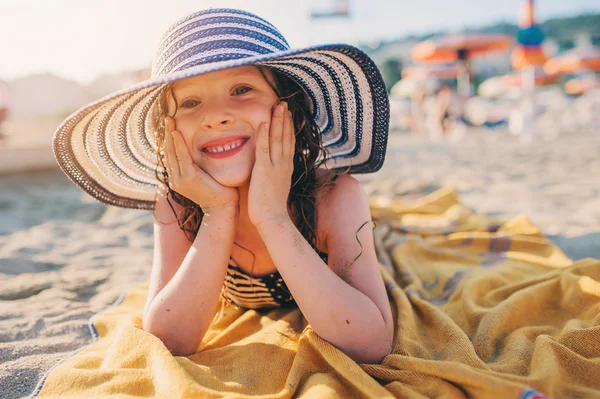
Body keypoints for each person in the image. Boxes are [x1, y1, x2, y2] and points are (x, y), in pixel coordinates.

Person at [52, 8, 393, 363]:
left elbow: (371, 344)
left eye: (241, 89)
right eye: (190, 102)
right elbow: (170, 341)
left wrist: (274, 218)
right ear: (169, 131)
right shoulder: (178, 206)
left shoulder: (334, 196)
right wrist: (217, 212)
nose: (215, 116)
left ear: (289, 107)